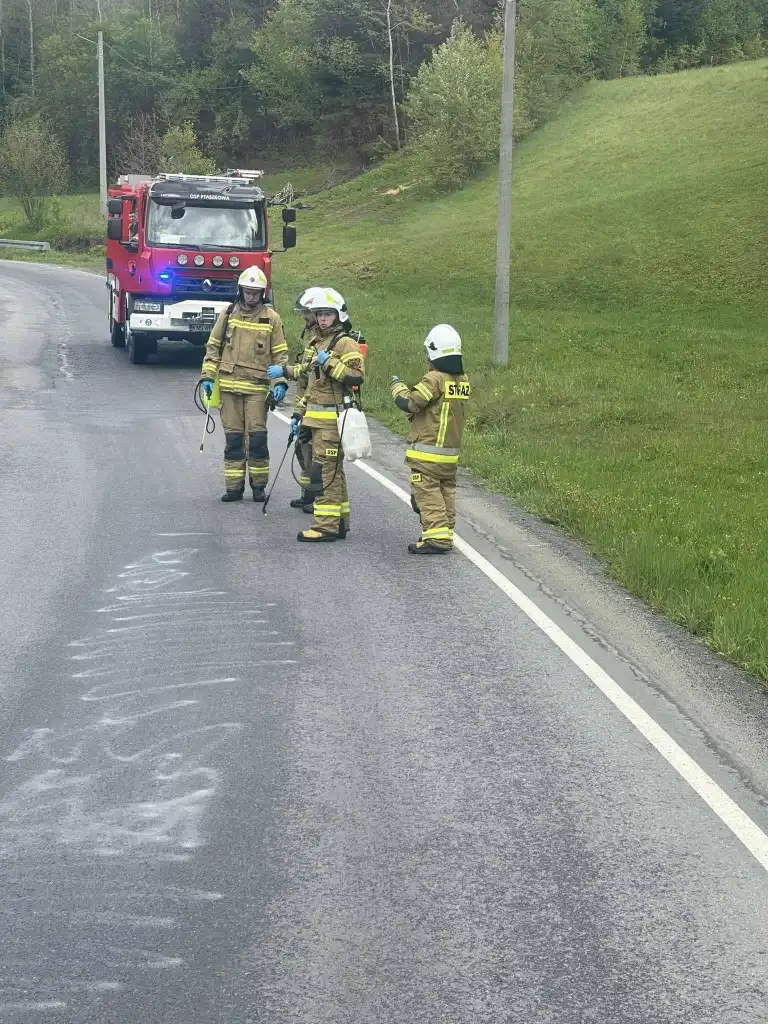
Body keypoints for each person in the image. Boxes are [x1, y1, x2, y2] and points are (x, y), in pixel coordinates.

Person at [268, 288, 364, 542]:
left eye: (328, 314)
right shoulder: (319, 342)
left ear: (338, 316)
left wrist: (329, 363)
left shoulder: (345, 343)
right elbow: (312, 385)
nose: (322, 319)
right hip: (317, 421)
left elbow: (357, 377)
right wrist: (299, 414)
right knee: (334, 473)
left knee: (325, 475)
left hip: (333, 423)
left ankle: (325, 527)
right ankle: (340, 523)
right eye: (319, 314)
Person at [199, 267, 288, 502]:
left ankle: (259, 487)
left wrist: (280, 381)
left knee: (257, 439)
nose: (251, 297)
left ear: (262, 293)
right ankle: (234, 488)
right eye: (247, 292)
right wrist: (207, 377)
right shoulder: (228, 314)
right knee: (234, 439)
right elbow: (213, 348)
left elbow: (280, 356)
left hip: (257, 389)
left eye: (255, 293)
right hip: (228, 388)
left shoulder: (272, 319)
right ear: (241, 291)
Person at [390, 324, 470, 554]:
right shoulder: (462, 379)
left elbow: (412, 403)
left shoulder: (434, 378)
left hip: (427, 452)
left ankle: (437, 539)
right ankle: (445, 533)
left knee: (427, 494)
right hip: (450, 453)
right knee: (446, 493)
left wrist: (398, 388)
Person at [287, 288, 324, 512]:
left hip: (315, 405)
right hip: (305, 402)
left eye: (307, 313)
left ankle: (315, 496)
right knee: (302, 449)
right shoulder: (313, 338)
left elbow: (308, 370)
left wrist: (285, 370)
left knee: (314, 453)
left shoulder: (321, 340)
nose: (304, 317)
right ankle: (307, 493)